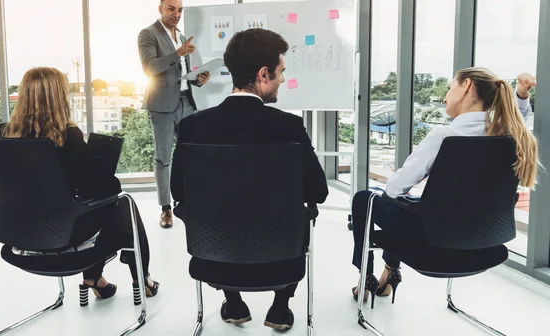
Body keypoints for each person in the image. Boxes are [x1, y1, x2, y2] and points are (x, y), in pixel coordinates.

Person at [170, 29, 329, 331]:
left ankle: (233, 301)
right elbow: (318, 193)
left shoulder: (193, 128)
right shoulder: (290, 127)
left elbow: (177, 191)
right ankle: (280, 307)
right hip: (283, 260)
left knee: (223, 210)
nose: (282, 78)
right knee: (299, 211)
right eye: (281, 71)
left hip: (212, 259)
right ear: (263, 73)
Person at [351, 68, 538, 306]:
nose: (445, 97)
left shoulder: (444, 136)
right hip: (484, 244)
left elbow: (394, 189)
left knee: (365, 198)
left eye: (450, 88)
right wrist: (521, 96)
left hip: (433, 246)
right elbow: (521, 121)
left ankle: (365, 276)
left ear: (467, 86)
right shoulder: (510, 137)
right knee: (410, 208)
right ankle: (389, 273)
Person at [0, 67, 160, 301]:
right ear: (59, 97)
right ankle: (141, 280)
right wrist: (94, 163)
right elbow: (108, 189)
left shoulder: (3, 134)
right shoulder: (67, 135)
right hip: (62, 240)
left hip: (19, 238)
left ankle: (96, 280)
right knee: (125, 205)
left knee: (101, 209)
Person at [138, 0, 211, 229]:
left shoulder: (181, 36)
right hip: (162, 105)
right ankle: (166, 209)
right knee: (163, 159)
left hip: (186, 101)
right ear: (160, 8)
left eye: (180, 10)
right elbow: (150, 68)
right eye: (171, 9)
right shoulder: (148, 34)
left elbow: (182, 73)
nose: (176, 14)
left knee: (193, 152)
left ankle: (190, 201)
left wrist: (199, 79)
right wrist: (177, 53)